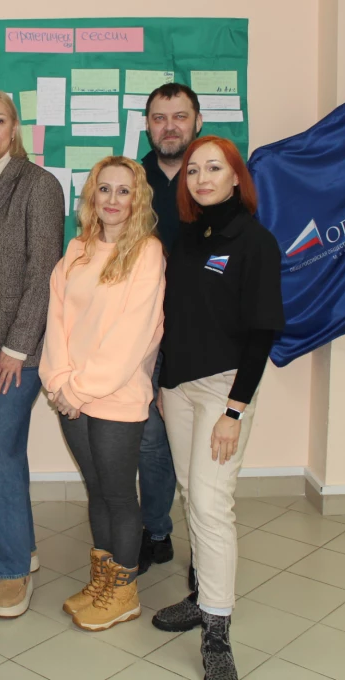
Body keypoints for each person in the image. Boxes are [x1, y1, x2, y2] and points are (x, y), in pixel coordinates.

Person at [151, 136, 284, 680]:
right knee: (191, 492)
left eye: (214, 168)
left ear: (235, 177)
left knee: (211, 504)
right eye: (193, 170)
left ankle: (217, 630)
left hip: (223, 390)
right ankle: (202, 595)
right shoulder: (187, 236)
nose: (202, 178)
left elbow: (263, 332)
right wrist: (163, 385)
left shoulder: (255, 242)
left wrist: (235, 411)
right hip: (178, 387)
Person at [40, 156, 165, 632]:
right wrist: (58, 382)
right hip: (70, 395)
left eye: (124, 191)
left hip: (115, 395)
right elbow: (57, 322)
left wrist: (77, 388)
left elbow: (132, 336)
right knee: (95, 490)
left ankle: (125, 593)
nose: (113, 199)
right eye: (105, 189)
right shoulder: (76, 250)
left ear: (137, 200)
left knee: (118, 494)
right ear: (92, 195)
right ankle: (102, 582)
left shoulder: (147, 253)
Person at [0, 90, 65, 618]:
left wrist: (17, 348)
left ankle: (11, 572)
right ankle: (18, 547)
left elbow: (44, 273)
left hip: (16, 350)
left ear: (15, 127)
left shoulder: (39, 185)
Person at [135, 83, 204, 574]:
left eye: (180, 116)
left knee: (201, 447)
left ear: (197, 121)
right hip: (145, 336)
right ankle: (156, 530)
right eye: (160, 118)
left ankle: (207, 547)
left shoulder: (215, 177)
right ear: (147, 126)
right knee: (151, 442)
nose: (170, 126)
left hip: (203, 338)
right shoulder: (131, 181)